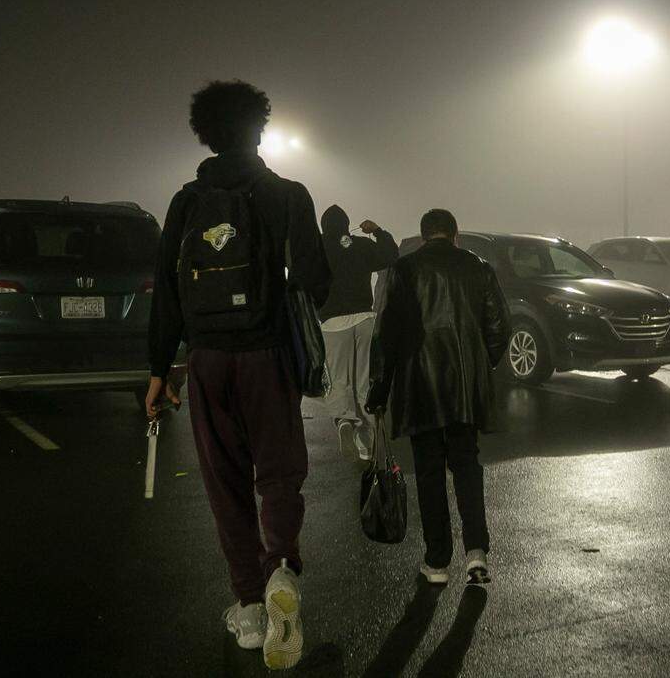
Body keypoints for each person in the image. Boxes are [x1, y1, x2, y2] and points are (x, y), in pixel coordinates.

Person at [146, 79, 331, 670]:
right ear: (261, 128)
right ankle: (282, 566)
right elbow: (316, 282)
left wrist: (158, 369)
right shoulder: (286, 194)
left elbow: (168, 294)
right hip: (267, 353)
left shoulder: (184, 202)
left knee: (224, 483)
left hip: (206, 358)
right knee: (277, 473)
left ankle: (250, 609)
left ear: (204, 133)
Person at [366, 209, 510, 585]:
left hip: (420, 387)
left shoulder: (404, 270)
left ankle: (437, 561)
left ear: (424, 234)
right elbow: (499, 325)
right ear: (455, 233)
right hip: (464, 389)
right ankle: (476, 552)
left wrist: (379, 390)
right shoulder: (478, 267)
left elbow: (386, 336)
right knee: (467, 466)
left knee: (429, 473)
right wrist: (481, 363)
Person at [318, 205, 399, 461]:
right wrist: (377, 232)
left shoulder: (317, 248)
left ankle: (344, 420)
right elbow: (390, 255)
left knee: (339, 377)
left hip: (332, 322)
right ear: (346, 224)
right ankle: (366, 445)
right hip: (364, 318)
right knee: (364, 378)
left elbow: (302, 276)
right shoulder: (361, 245)